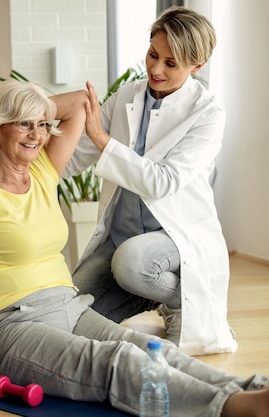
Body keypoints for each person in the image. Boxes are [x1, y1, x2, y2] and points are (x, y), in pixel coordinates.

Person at [0, 79, 269, 416]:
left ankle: (251, 389)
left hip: (68, 306)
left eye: (43, 124)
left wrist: (28, 105)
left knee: (151, 349)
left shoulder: (42, 174)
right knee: (120, 362)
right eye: (24, 125)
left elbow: (78, 104)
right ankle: (233, 408)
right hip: (11, 325)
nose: (37, 135)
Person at [65, 6, 236, 355]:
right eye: (153, 54)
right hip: (122, 238)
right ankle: (148, 293)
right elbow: (75, 156)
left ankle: (185, 302)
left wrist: (101, 138)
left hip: (172, 239)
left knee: (133, 263)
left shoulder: (207, 114)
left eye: (171, 64)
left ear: (196, 66)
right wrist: (22, 168)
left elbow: (162, 182)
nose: (156, 69)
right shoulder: (127, 96)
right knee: (70, 321)